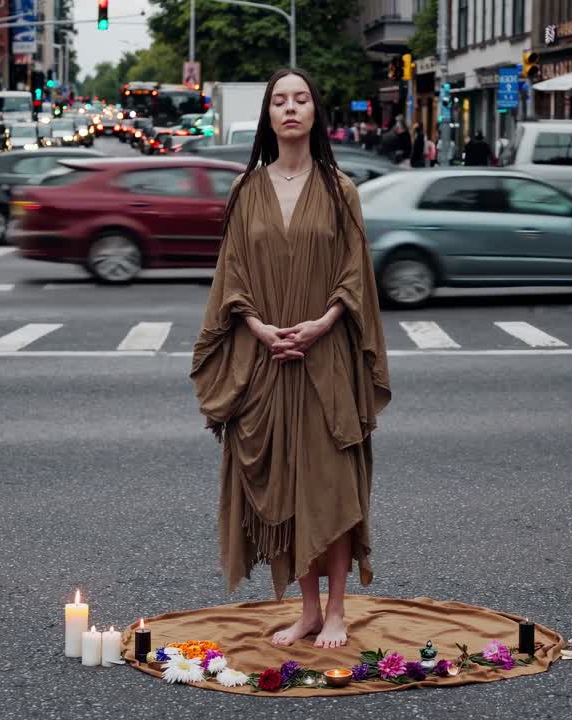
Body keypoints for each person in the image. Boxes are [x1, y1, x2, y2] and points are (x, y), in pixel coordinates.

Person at [191, 68, 391, 650]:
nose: (290, 108)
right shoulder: (245, 189)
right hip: (268, 360)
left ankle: (337, 611)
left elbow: (355, 274)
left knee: (332, 489)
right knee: (288, 488)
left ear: (314, 112)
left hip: (326, 359)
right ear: (268, 116)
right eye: (279, 100)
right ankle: (307, 611)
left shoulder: (339, 189)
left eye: (301, 99)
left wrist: (321, 324)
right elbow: (231, 275)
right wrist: (260, 329)